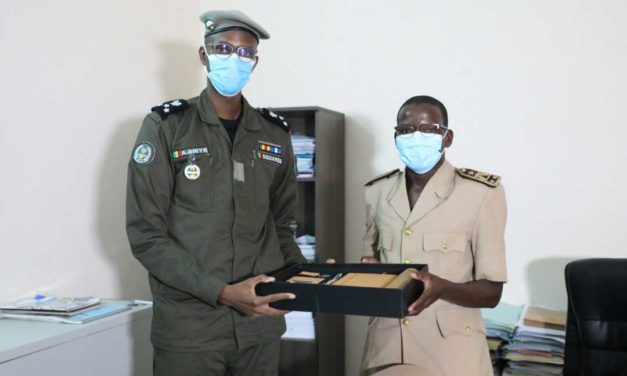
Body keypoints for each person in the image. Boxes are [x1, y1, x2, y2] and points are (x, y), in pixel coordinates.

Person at [125, 10, 306, 376]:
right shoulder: (166, 127)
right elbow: (147, 235)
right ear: (204, 55)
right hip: (190, 330)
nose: (234, 59)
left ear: (255, 63)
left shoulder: (273, 134)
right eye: (223, 48)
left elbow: (282, 223)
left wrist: (305, 275)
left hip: (259, 327)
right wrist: (221, 291)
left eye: (244, 53)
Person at [360, 95, 507, 376]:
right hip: (385, 347)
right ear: (395, 137)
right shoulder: (376, 192)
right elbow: (371, 268)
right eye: (406, 130)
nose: (416, 137)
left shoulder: (480, 194)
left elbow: (491, 293)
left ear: (447, 137)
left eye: (429, 130)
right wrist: (339, 279)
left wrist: (443, 288)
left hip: (450, 355)